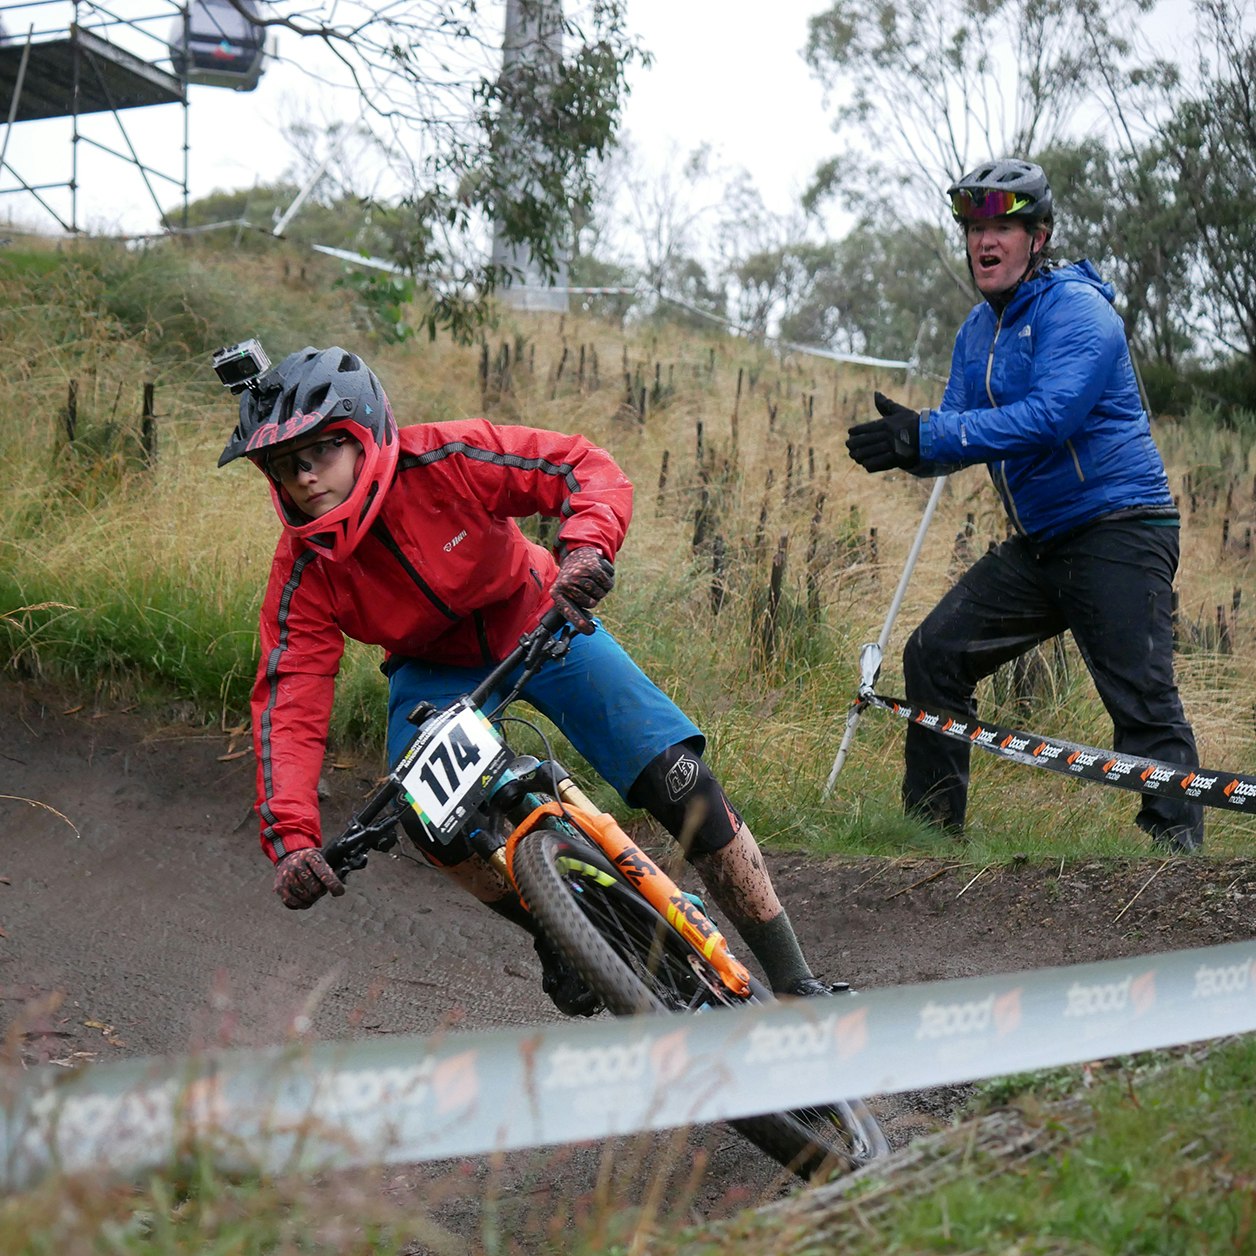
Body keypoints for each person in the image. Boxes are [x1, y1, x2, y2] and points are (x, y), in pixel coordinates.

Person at [217, 343, 841, 1014]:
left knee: (681, 783)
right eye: (285, 467)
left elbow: (580, 466)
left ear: (367, 432)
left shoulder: (449, 459)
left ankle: (794, 977)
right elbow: (289, 697)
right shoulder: (304, 570)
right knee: (432, 823)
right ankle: (557, 929)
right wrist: (293, 840)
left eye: (321, 453)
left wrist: (586, 550)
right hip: (430, 675)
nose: (305, 478)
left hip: (538, 614)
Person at [845, 157, 1203, 853]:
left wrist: (933, 431)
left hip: (1120, 527)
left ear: (1038, 236)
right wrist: (912, 445)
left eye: (1003, 225)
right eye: (976, 227)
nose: (986, 240)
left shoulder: (1079, 310)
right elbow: (957, 436)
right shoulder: (977, 332)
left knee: (1142, 704)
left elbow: (1049, 419)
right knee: (934, 655)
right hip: (1043, 542)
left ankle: (1175, 868)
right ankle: (932, 840)